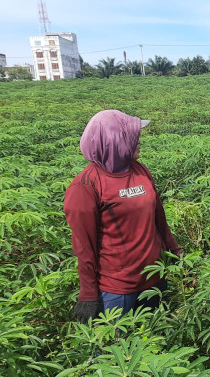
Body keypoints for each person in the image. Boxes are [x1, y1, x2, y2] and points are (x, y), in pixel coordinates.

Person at [64, 109, 181, 324]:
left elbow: (160, 222)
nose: (139, 140)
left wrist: (176, 255)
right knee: (116, 351)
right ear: (113, 140)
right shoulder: (86, 185)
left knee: (153, 344)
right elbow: (83, 246)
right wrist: (88, 294)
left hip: (154, 278)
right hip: (117, 290)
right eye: (132, 136)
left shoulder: (140, 170)